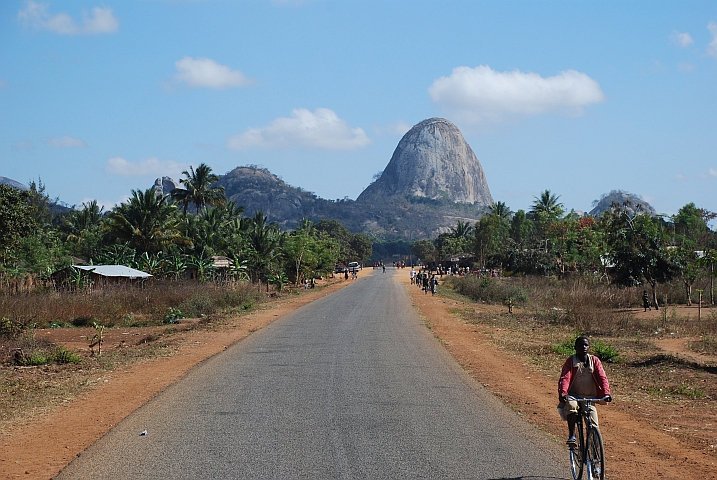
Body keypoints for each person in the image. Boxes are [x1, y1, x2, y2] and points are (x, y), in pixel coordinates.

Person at [558, 336, 612, 448]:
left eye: (586, 345)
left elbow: (602, 377)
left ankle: (594, 456)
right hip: (573, 395)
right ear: (575, 347)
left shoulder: (594, 361)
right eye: (580, 345)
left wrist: (606, 393)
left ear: (589, 347)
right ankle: (572, 436)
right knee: (572, 406)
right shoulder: (571, 361)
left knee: (594, 425)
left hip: (589, 397)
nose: (583, 347)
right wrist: (563, 393)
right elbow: (565, 378)